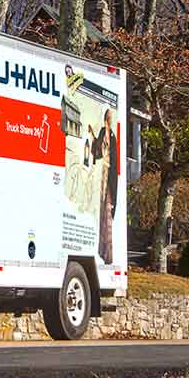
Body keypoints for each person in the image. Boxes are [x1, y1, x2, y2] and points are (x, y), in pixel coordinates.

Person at [86, 109, 118, 264]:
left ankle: (106, 250)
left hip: (105, 174)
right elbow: (98, 151)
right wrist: (93, 135)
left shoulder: (109, 134)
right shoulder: (108, 134)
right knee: (103, 210)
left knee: (105, 209)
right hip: (105, 174)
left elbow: (98, 151)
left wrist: (92, 135)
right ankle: (104, 249)